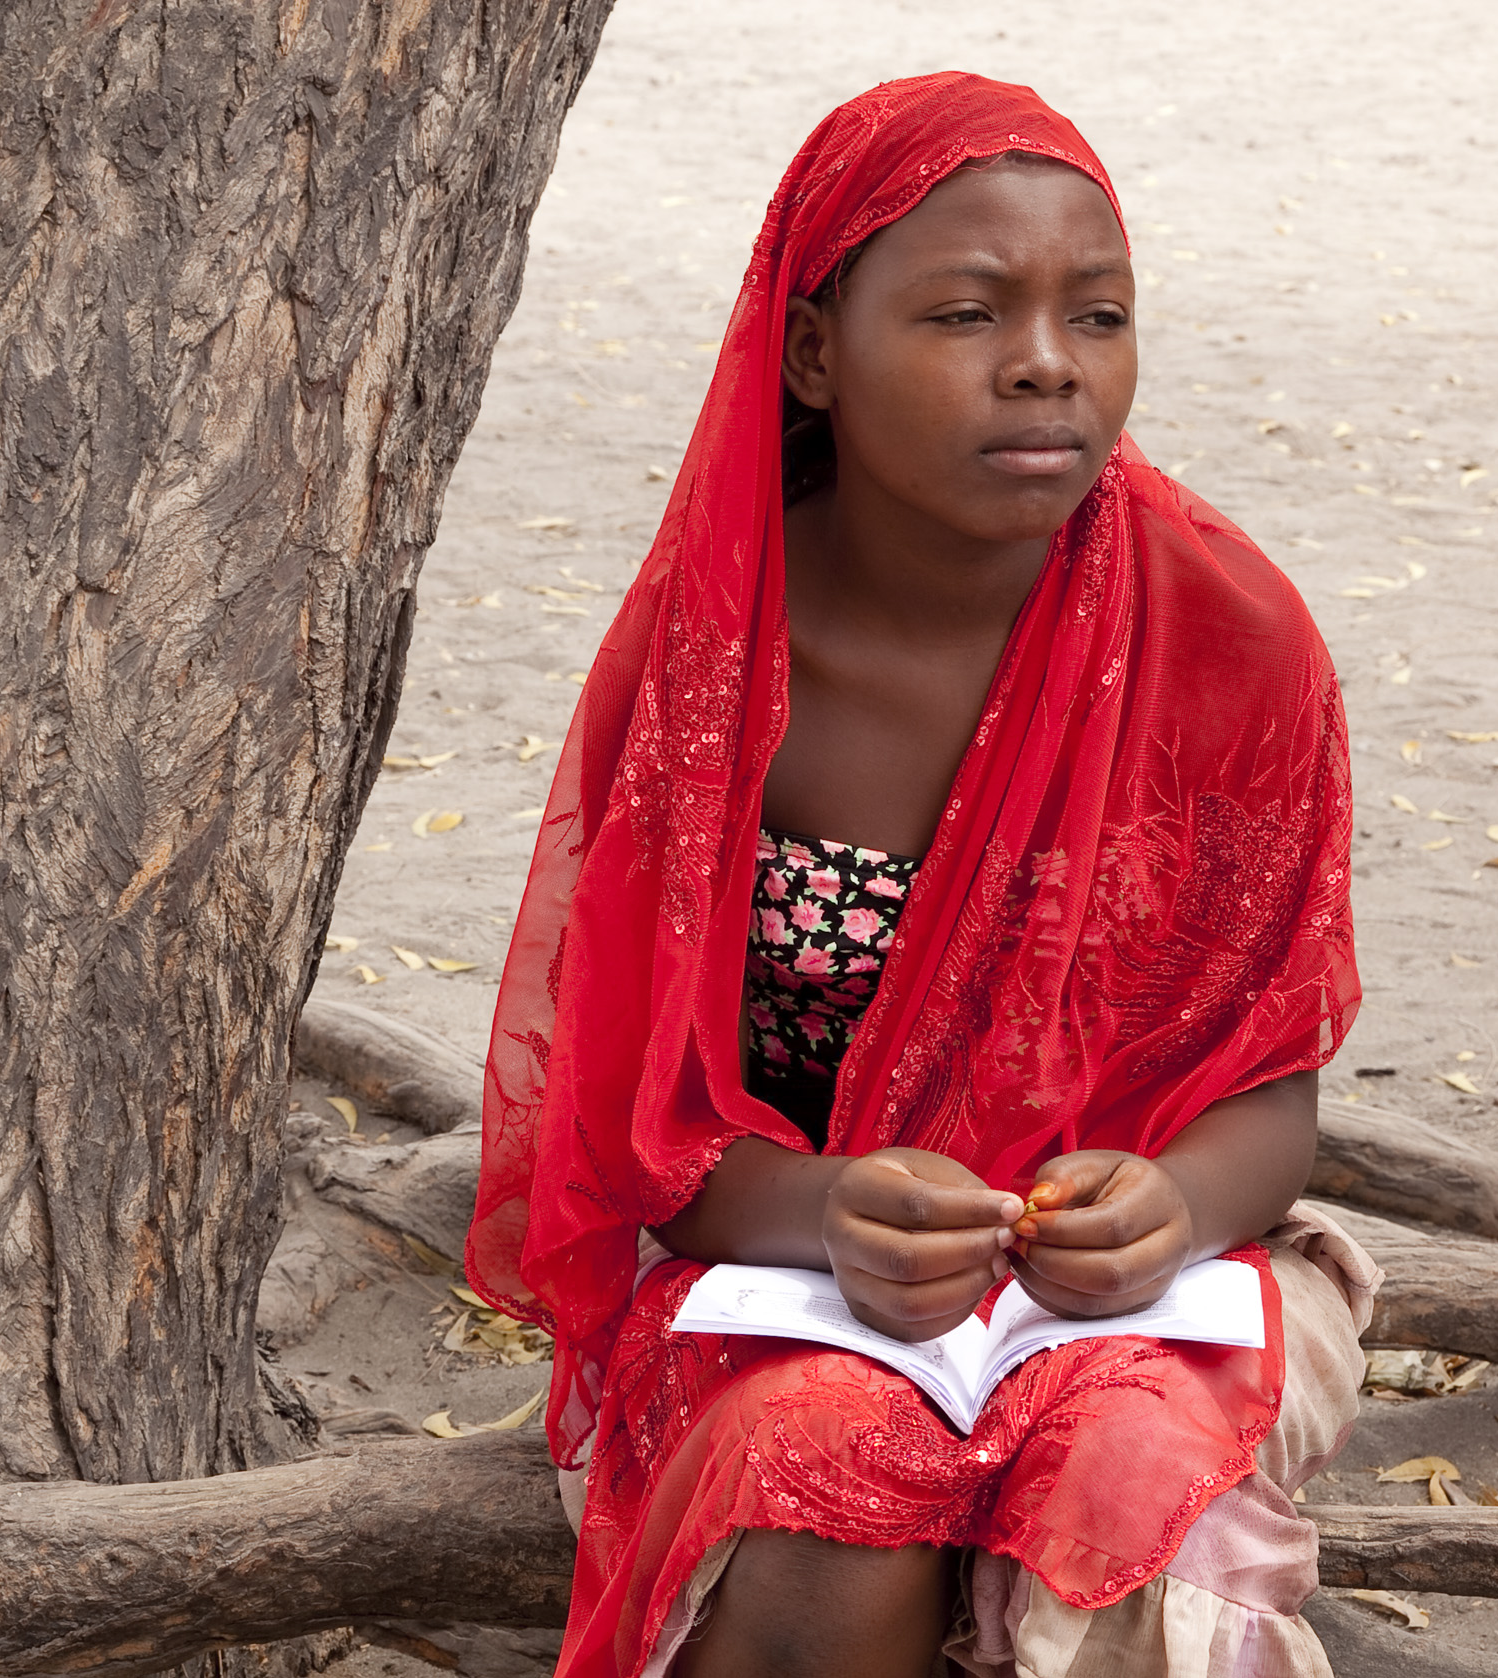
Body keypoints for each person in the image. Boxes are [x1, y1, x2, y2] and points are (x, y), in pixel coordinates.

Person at [469, 72, 1376, 1678]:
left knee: (1134, 1499)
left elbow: (1266, 1089)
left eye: (1098, 315)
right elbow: (636, 1122)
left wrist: (1169, 1206)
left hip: (1152, 1291)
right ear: (815, 352)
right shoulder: (720, 660)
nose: (1046, 362)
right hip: (785, 1280)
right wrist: (824, 1210)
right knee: (819, 1488)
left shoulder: (1233, 642)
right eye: (967, 313)